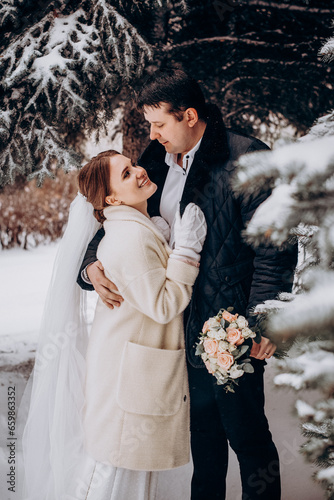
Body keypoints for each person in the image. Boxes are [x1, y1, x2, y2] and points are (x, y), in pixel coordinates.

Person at [78, 69, 298, 500]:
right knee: (205, 443)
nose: (153, 134)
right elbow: (117, 220)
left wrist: (266, 317)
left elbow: (276, 245)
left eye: (159, 124)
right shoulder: (157, 159)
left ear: (190, 116)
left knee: (249, 438)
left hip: (231, 328)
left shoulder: (247, 158)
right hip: (179, 332)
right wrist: (91, 266)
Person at [20, 149, 207, 500]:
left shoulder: (134, 227)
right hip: (130, 379)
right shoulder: (129, 237)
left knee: (125, 473)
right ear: (111, 199)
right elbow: (164, 305)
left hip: (132, 373)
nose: (139, 171)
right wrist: (186, 254)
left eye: (132, 164)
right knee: (115, 479)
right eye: (126, 174)